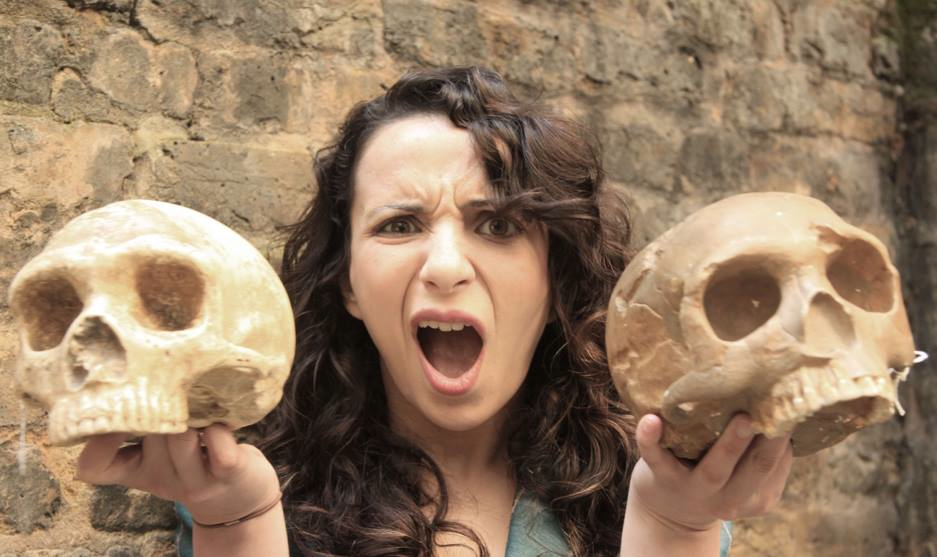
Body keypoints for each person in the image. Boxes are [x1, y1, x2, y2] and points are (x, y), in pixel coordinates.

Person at [76, 66, 793, 557]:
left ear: (554, 278)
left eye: (499, 225)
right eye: (398, 225)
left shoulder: (654, 496)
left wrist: (673, 523)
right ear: (349, 284)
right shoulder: (244, 484)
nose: (446, 265)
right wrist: (238, 519)